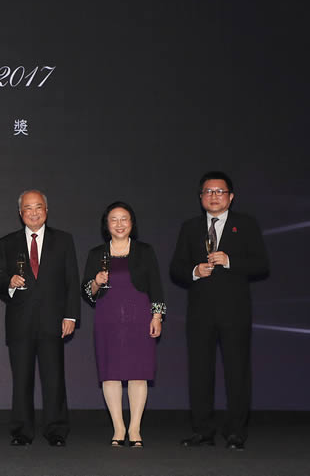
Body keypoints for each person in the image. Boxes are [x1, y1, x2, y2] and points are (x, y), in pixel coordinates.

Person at [170, 171, 268, 451]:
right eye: (208, 191)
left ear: (231, 196)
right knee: (200, 372)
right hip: (200, 312)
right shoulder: (190, 227)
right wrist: (194, 271)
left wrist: (229, 260)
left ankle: (236, 432)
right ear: (201, 197)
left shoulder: (246, 225)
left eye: (219, 191)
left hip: (235, 311)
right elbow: (176, 268)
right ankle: (203, 431)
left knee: (237, 372)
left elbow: (262, 265)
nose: (214, 196)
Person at [0, 189, 78, 447]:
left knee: (54, 379)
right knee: (21, 380)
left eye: (38, 207)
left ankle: (56, 430)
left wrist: (71, 315)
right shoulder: (7, 243)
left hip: (53, 320)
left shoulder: (63, 240)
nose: (33, 212)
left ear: (46, 211)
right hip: (20, 321)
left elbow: (72, 280)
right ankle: (22, 431)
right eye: (28, 208)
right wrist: (9, 282)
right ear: (20, 213)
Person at [81, 201, 165, 448]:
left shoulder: (145, 251)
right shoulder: (96, 253)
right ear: (106, 225)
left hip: (139, 319)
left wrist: (157, 317)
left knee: (139, 374)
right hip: (107, 319)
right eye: (114, 220)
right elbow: (87, 293)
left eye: (124, 219)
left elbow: (156, 286)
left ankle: (135, 428)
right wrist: (96, 282)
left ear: (132, 223)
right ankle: (118, 428)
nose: (119, 224)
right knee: (111, 374)